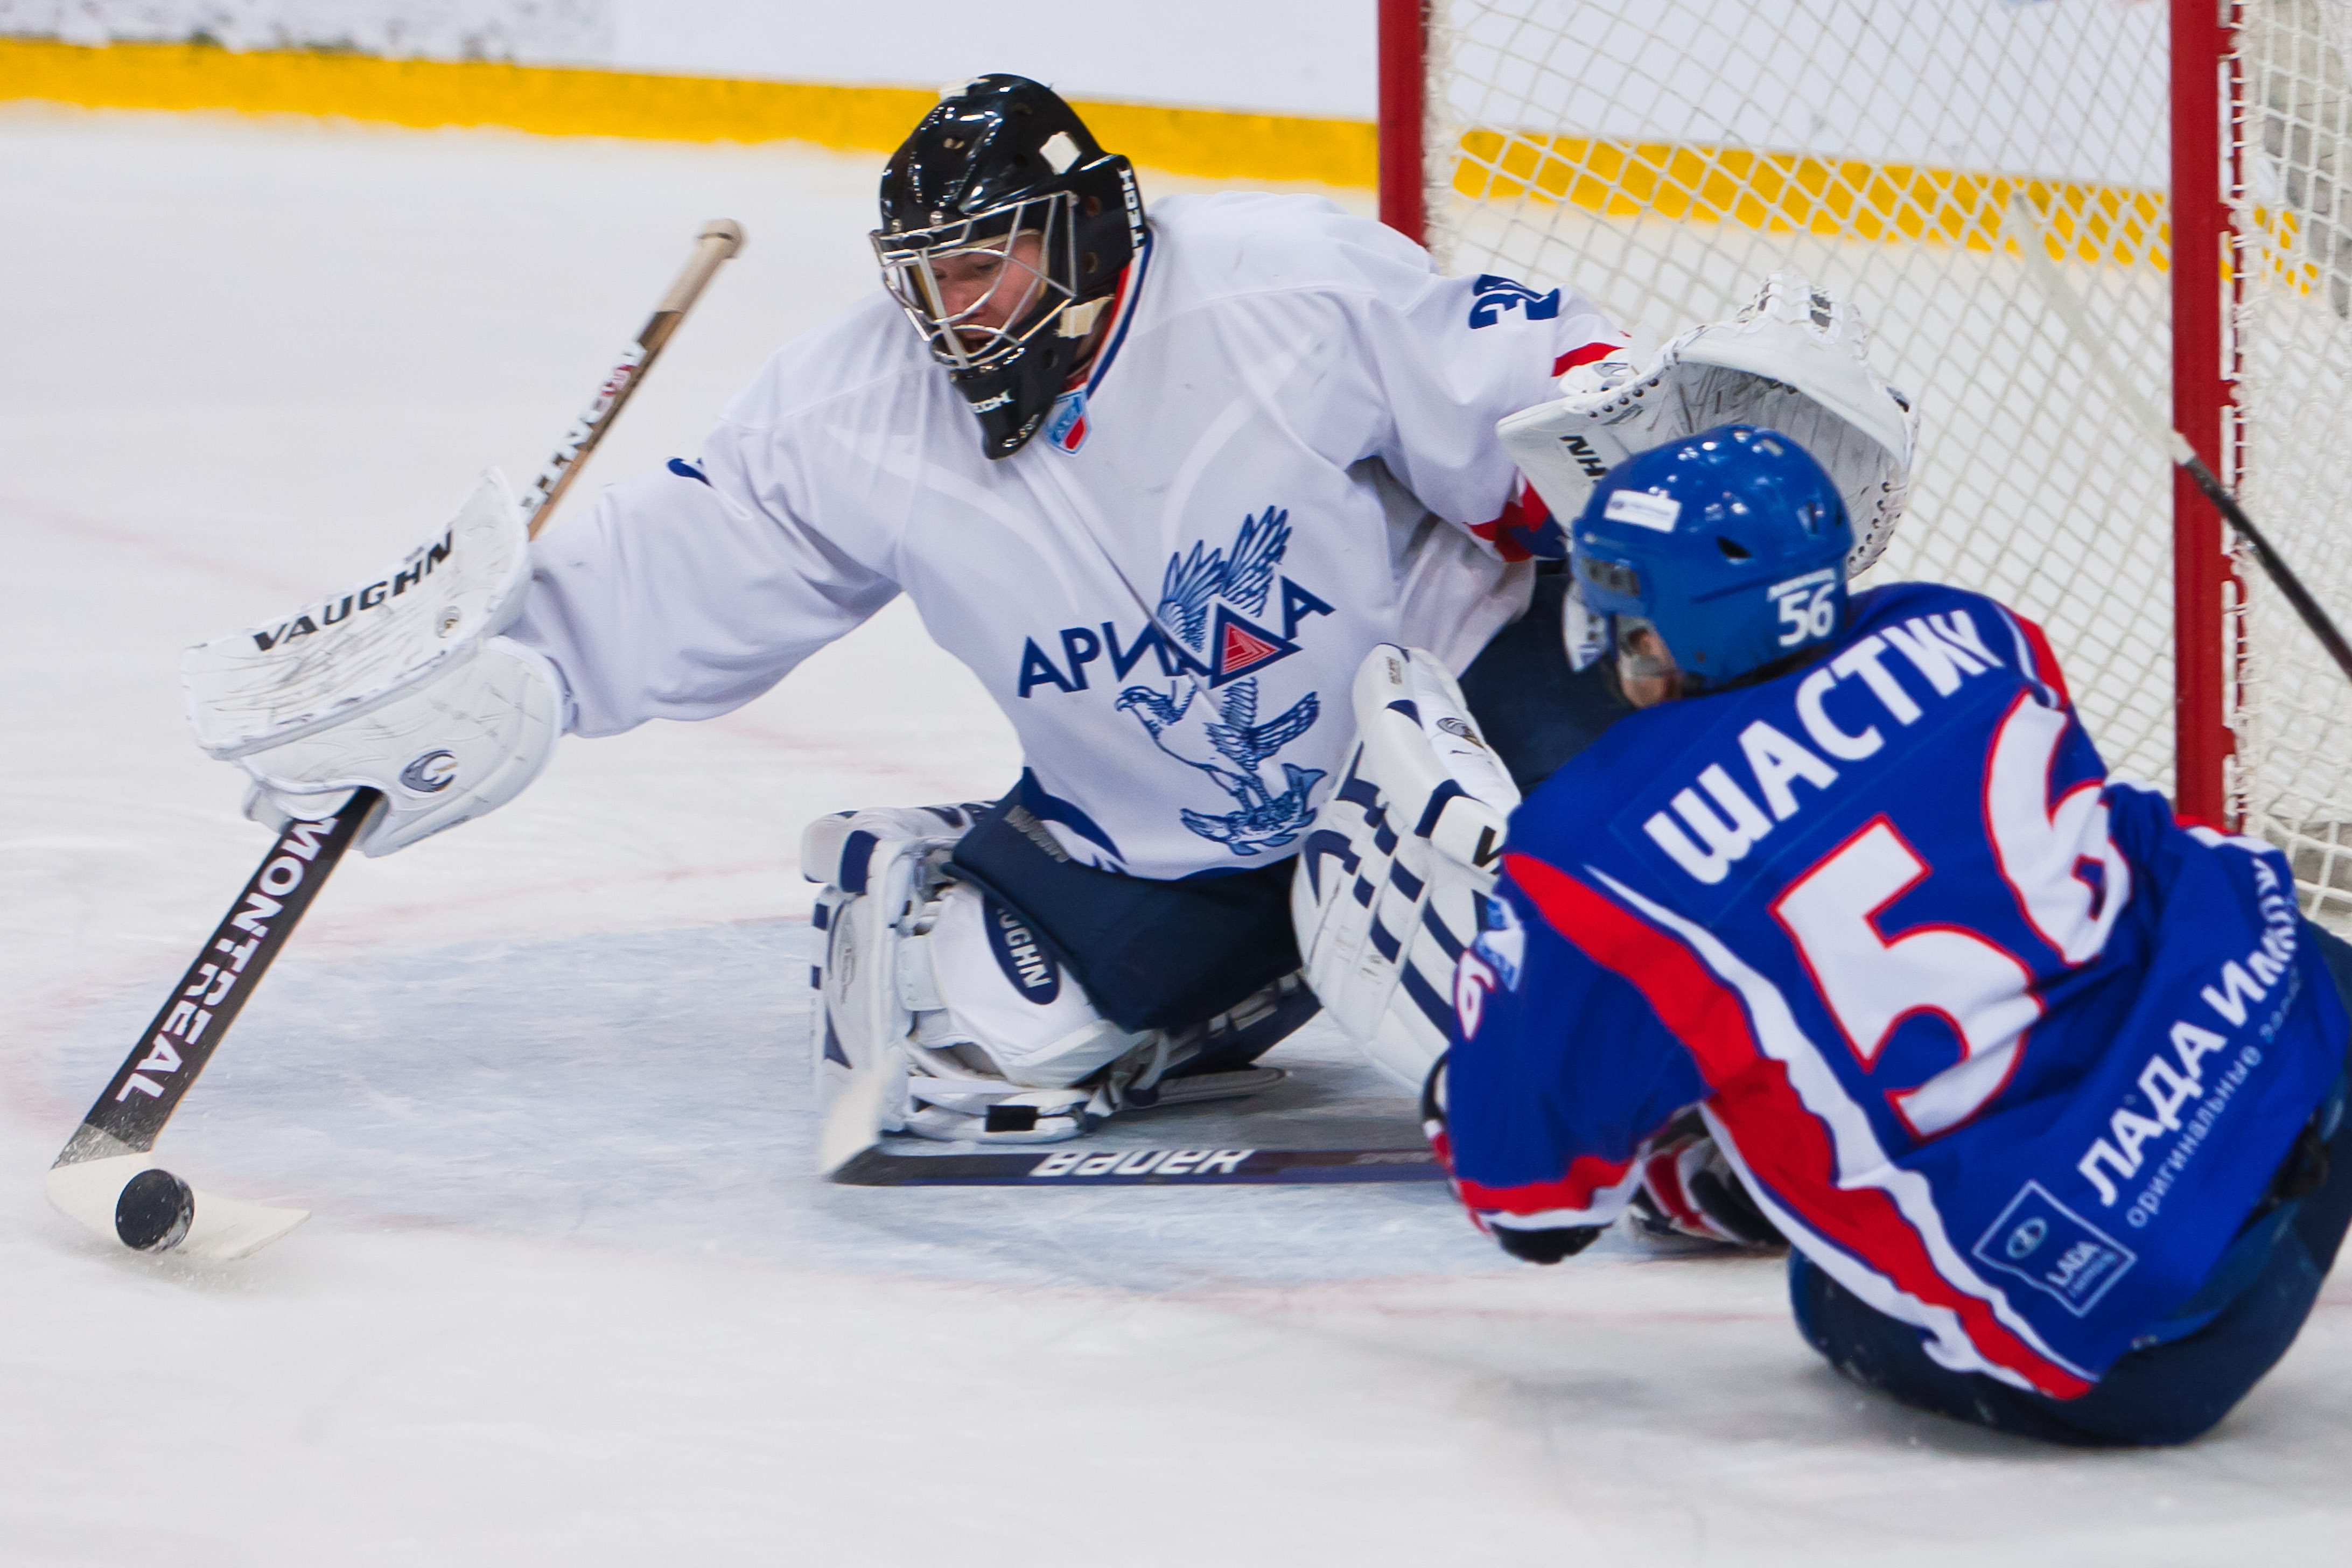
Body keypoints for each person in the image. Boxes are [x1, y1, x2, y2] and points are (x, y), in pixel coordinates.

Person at [206, 73, 1632, 1144]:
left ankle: (1455, 907)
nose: (952, 318)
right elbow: (694, 556)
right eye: (927, 283)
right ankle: (1230, 960)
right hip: (1162, 839)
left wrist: (1674, 449)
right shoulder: (857, 411)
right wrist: (508, 672)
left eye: (981, 268)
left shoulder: (1282, 284)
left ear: (1079, 234)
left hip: (1450, 716)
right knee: (978, 1047)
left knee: (1587, 1013)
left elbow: (1524, 404)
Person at [1430, 423, 2352, 1445]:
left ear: (1666, 632)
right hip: (2309, 1076)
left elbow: (1533, 1211)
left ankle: (1736, 1178)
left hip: (2143, 1350)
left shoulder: (1590, 850)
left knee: (1825, 1286)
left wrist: (1461, 1085)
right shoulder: (1970, 630)